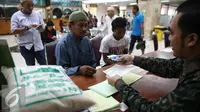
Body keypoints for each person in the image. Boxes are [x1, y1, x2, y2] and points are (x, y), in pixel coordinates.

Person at [107, 0, 200, 111]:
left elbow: (149, 109)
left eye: (172, 33)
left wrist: (120, 84)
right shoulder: (192, 60)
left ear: (191, 39)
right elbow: (169, 66)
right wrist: (134, 59)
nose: (169, 39)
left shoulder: (195, 85)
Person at [55, 11, 97, 76]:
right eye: (80, 25)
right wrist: (78, 70)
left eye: (86, 25)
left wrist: (91, 69)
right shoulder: (63, 45)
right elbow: (61, 71)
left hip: (87, 78)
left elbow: (93, 62)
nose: (84, 29)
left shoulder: (87, 41)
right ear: (70, 26)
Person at [11, 0, 46, 65]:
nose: (31, 7)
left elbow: (43, 27)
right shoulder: (16, 16)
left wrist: (41, 28)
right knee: (31, 67)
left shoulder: (37, 14)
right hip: (26, 47)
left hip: (38, 45)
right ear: (22, 5)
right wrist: (27, 28)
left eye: (32, 5)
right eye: (28, 5)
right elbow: (13, 30)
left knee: (44, 64)